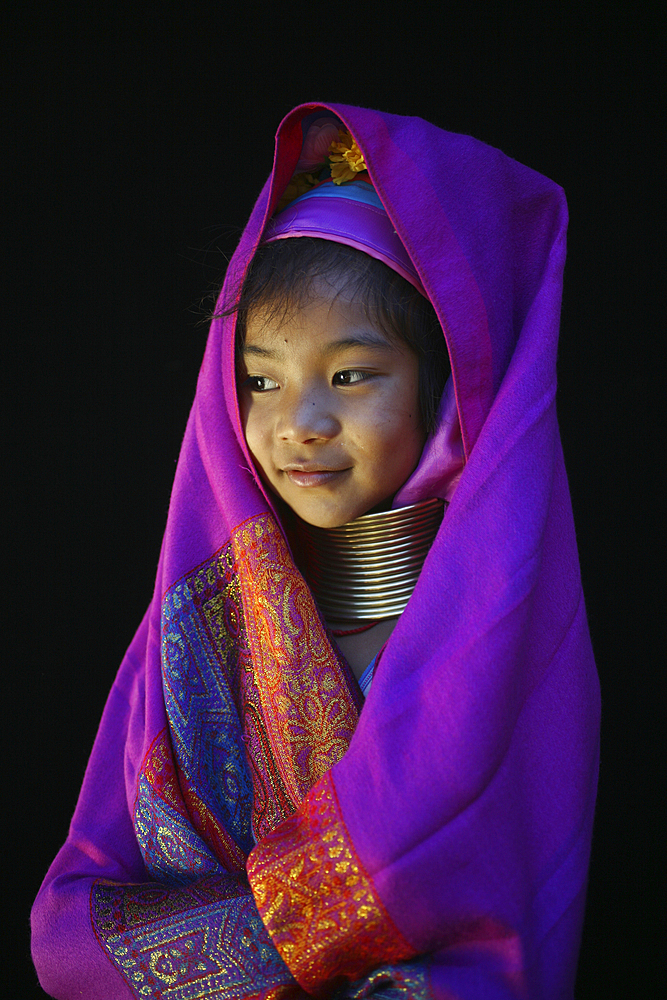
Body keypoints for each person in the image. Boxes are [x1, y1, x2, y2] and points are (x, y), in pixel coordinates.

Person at [31, 103, 600, 1000]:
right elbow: (70, 929)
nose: (296, 422)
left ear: (448, 391)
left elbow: (476, 935)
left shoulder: (499, 643)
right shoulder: (195, 637)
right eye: (260, 379)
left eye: (350, 375)